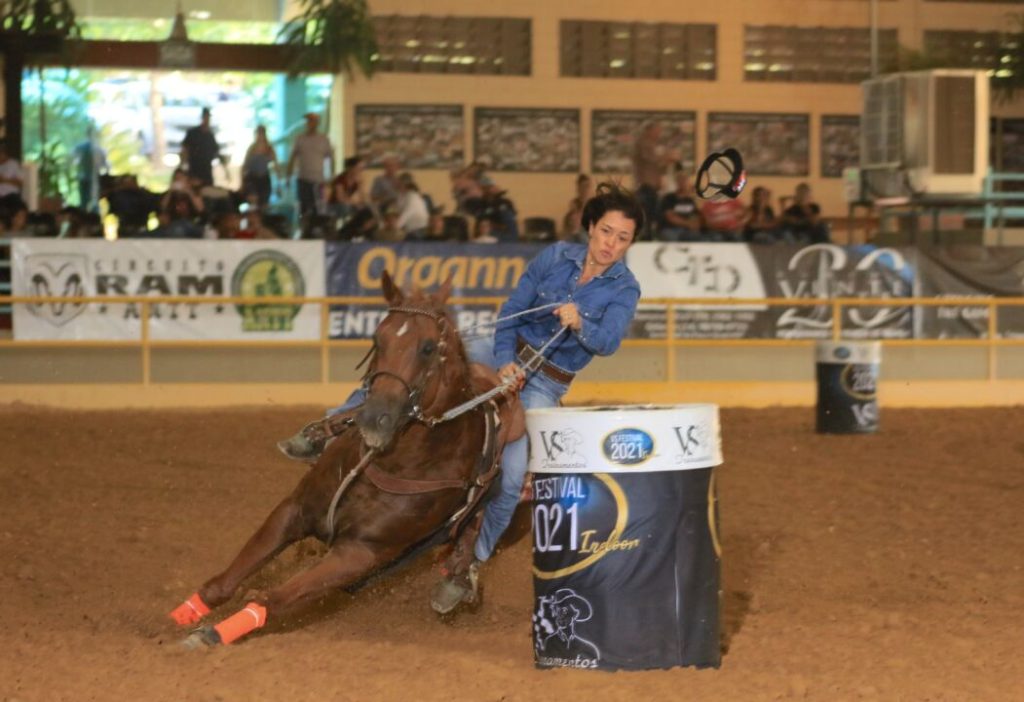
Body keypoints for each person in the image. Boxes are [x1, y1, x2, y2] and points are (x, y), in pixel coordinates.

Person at [275, 182, 645, 615]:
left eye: (622, 238)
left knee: (512, 476)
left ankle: (470, 561)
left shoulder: (625, 288)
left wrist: (581, 323)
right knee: (408, 365)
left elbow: (608, 343)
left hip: (546, 384)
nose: (611, 245)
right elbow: (511, 311)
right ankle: (327, 427)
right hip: (500, 349)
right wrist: (505, 362)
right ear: (590, 227)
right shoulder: (555, 257)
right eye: (606, 232)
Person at [286, 112, 335, 219]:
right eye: (308, 121)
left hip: (318, 180)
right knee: (303, 209)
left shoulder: (324, 139)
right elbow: (292, 158)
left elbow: (331, 159)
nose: (309, 123)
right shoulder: (299, 139)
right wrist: (288, 176)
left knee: (319, 209)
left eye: (312, 121)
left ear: (317, 123)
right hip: (303, 179)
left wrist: (331, 177)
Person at [632, 122, 667, 238]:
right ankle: (645, 237)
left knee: (654, 215)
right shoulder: (643, 143)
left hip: (653, 188)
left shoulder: (654, 145)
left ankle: (651, 235)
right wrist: (666, 157)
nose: (659, 134)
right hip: (645, 187)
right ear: (649, 130)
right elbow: (650, 158)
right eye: (657, 131)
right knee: (646, 214)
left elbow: (658, 166)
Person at [181, 107, 227, 187]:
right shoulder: (193, 133)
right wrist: (183, 164)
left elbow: (215, 151)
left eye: (208, 117)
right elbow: (185, 149)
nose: (207, 119)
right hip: (194, 168)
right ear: (202, 118)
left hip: (206, 169)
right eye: (205, 117)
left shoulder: (210, 135)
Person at [71, 124, 109, 212]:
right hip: (85, 178)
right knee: (87, 202)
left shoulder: (97, 149)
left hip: (91, 179)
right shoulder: (82, 148)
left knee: (91, 201)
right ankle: (87, 217)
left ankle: (90, 217)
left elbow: (104, 165)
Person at [241, 125, 279, 207]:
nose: (260, 135)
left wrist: (278, 183)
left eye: (262, 133)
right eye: (259, 133)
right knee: (253, 204)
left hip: (264, 179)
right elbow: (244, 166)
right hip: (252, 178)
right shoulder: (251, 148)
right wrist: (243, 182)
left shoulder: (269, 148)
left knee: (264, 204)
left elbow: (276, 165)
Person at [657, 170, 701, 241]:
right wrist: (688, 224)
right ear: (677, 182)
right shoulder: (669, 198)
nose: (683, 183)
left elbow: (696, 216)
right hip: (670, 229)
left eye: (685, 180)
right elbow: (670, 217)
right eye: (680, 180)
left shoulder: (690, 201)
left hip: (686, 231)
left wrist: (695, 225)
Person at [561, 173, 593, 240]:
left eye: (587, 186)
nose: (584, 189)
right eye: (582, 186)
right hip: (575, 234)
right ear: (578, 188)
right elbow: (567, 227)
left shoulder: (594, 204)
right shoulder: (574, 204)